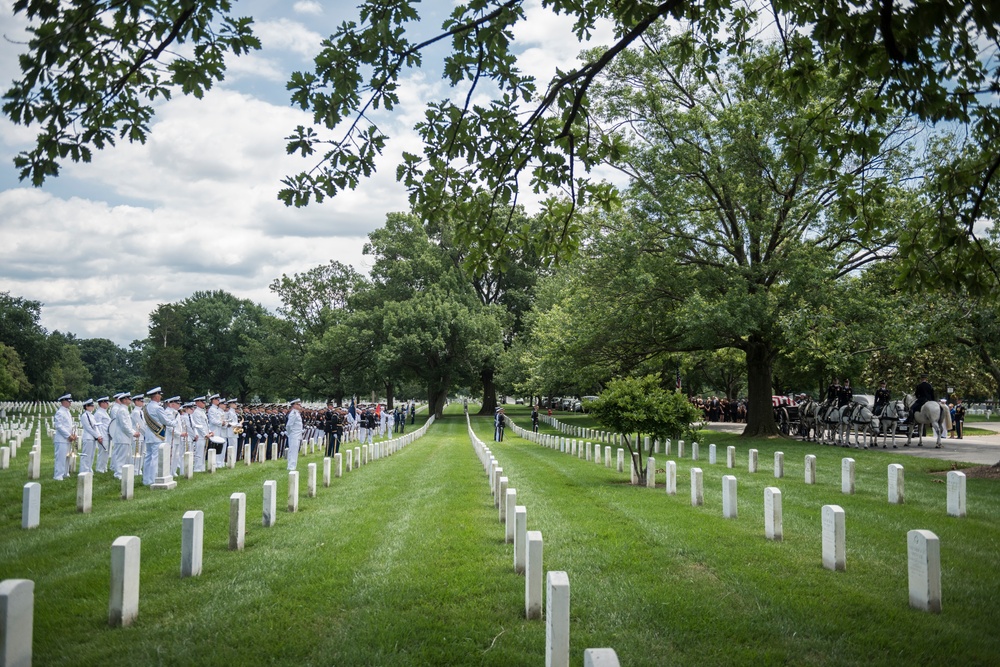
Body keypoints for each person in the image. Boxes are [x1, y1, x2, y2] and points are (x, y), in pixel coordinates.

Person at [141, 387, 174, 485]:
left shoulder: (146, 407)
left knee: (148, 458)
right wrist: (175, 422)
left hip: (149, 435)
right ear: (156, 396)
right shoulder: (158, 408)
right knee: (155, 458)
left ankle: (146, 480)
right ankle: (153, 479)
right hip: (157, 435)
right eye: (160, 395)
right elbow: (165, 421)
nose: (160, 397)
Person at [109, 393, 136, 479]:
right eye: (128, 398)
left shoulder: (124, 409)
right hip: (122, 437)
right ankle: (118, 474)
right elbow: (124, 425)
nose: (130, 400)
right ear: (124, 400)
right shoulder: (122, 410)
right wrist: (133, 433)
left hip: (125, 437)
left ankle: (121, 473)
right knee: (121, 456)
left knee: (124, 456)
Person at [53, 393, 76, 480]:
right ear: (63, 401)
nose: (70, 403)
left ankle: (65, 473)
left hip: (68, 439)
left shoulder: (67, 412)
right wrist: (68, 435)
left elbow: (69, 425)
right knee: (60, 458)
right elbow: (59, 426)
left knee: (67, 457)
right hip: (62, 439)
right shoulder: (60, 412)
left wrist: (73, 435)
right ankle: (58, 475)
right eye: (68, 401)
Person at [79, 398, 101, 474]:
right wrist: (97, 436)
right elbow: (88, 428)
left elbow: (95, 426)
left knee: (91, 455)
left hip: (93, 438)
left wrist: (99, 435)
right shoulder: (85, 416)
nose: (92, 407)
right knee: (86, 455)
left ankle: (89, 469)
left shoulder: (91, 415)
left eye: (93, 405)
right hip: (88, 437)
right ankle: (84, 470)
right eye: (91, 405)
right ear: (86, 407)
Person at [94, 396, 112, 473]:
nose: (107, 404)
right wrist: (99, 436)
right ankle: (99, 468)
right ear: (102, 403)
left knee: (106, 453)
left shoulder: (104, 412)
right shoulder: (98, 413)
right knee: (102, 452)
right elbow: (97, 426)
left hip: (106, 435)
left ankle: (104, 467)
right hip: (102, 435)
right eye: (106, 402)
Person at [285, 398, 304, 470]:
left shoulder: (297, 413)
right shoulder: (294, 414)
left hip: (297, 435)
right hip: (294, 435)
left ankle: (292, 465)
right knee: (293, 451)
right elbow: (289, 425)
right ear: (294, 405)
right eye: (298, 404)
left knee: (294, 451)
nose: (300, 406)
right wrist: (290, 434)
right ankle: (291, 467)